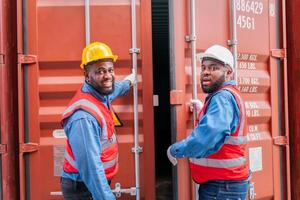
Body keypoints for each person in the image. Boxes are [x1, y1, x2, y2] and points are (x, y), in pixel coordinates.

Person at [167, 45, 250, 200]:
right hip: (227, 184)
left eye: (213, 68)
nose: (205, 72)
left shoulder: (222, 98)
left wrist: (175, 150)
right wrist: (203, 111)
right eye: (204, 67)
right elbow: (225, 127)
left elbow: (204, 139)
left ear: (228, 72)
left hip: (222, 187)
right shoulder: (229, 95)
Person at [60, 42, 135, 200]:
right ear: (87, 76)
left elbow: (115, 89)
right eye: (100, 71)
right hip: (83, 188)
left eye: (110, 70)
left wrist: (129, 82)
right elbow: (91, 170)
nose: (107, 75)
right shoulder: (83, 117)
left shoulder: (100, 93)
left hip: (92, 185)